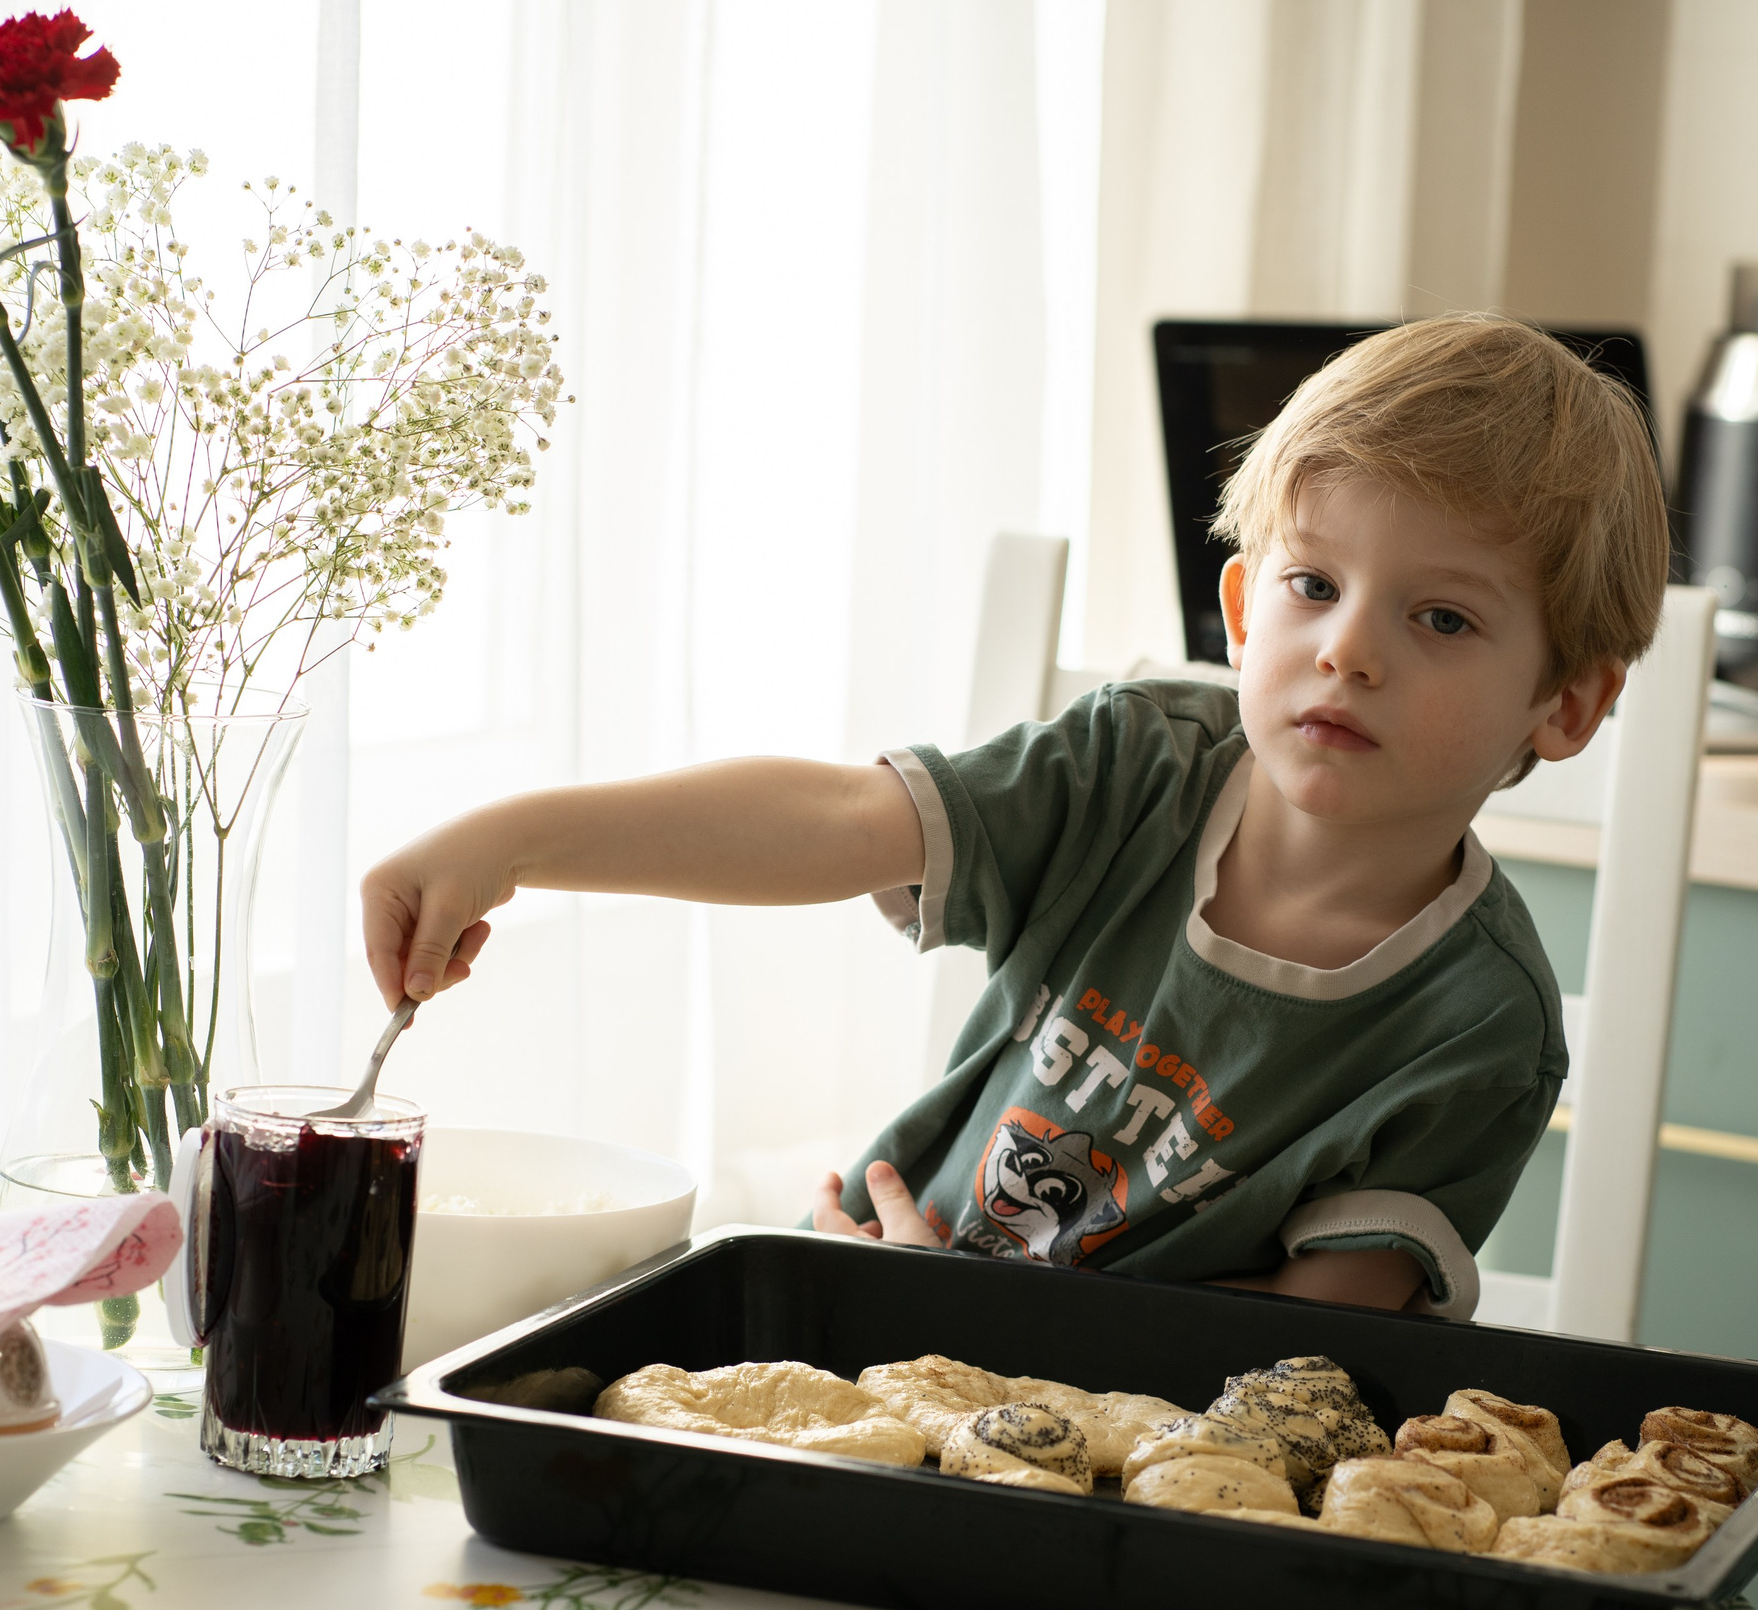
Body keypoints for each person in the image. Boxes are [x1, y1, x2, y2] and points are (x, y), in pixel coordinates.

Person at [359, 313, 1668, 1317]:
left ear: (1565, 706)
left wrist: (975, 1320)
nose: (1349, 650)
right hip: (851, 1315)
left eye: (1440, 618)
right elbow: (836, 819)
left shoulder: (1479, 1029)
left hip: (1123, 1473)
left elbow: (1313, 1349)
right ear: (1240, 612)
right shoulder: (1138, 766)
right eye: (1314, 585)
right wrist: (514, 839)